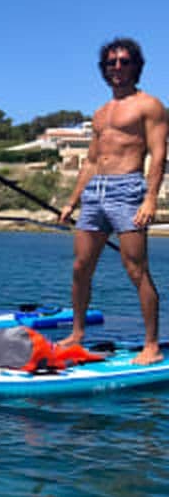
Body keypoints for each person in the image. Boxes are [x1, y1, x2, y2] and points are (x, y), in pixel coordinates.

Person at [59, 37, 167, 365]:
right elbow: (91, 161)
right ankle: (77, 334)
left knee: (135, 268)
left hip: (128, 189)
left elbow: (158, 155)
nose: (117, 67)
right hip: (95, 192)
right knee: (80, 268)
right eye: (111, 63)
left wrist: (150, 200)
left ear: (136, 65)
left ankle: (151, 344)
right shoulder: (101, 112)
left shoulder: (150, 106)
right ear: (104, 69)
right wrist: (71, 202)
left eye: (123, 61)